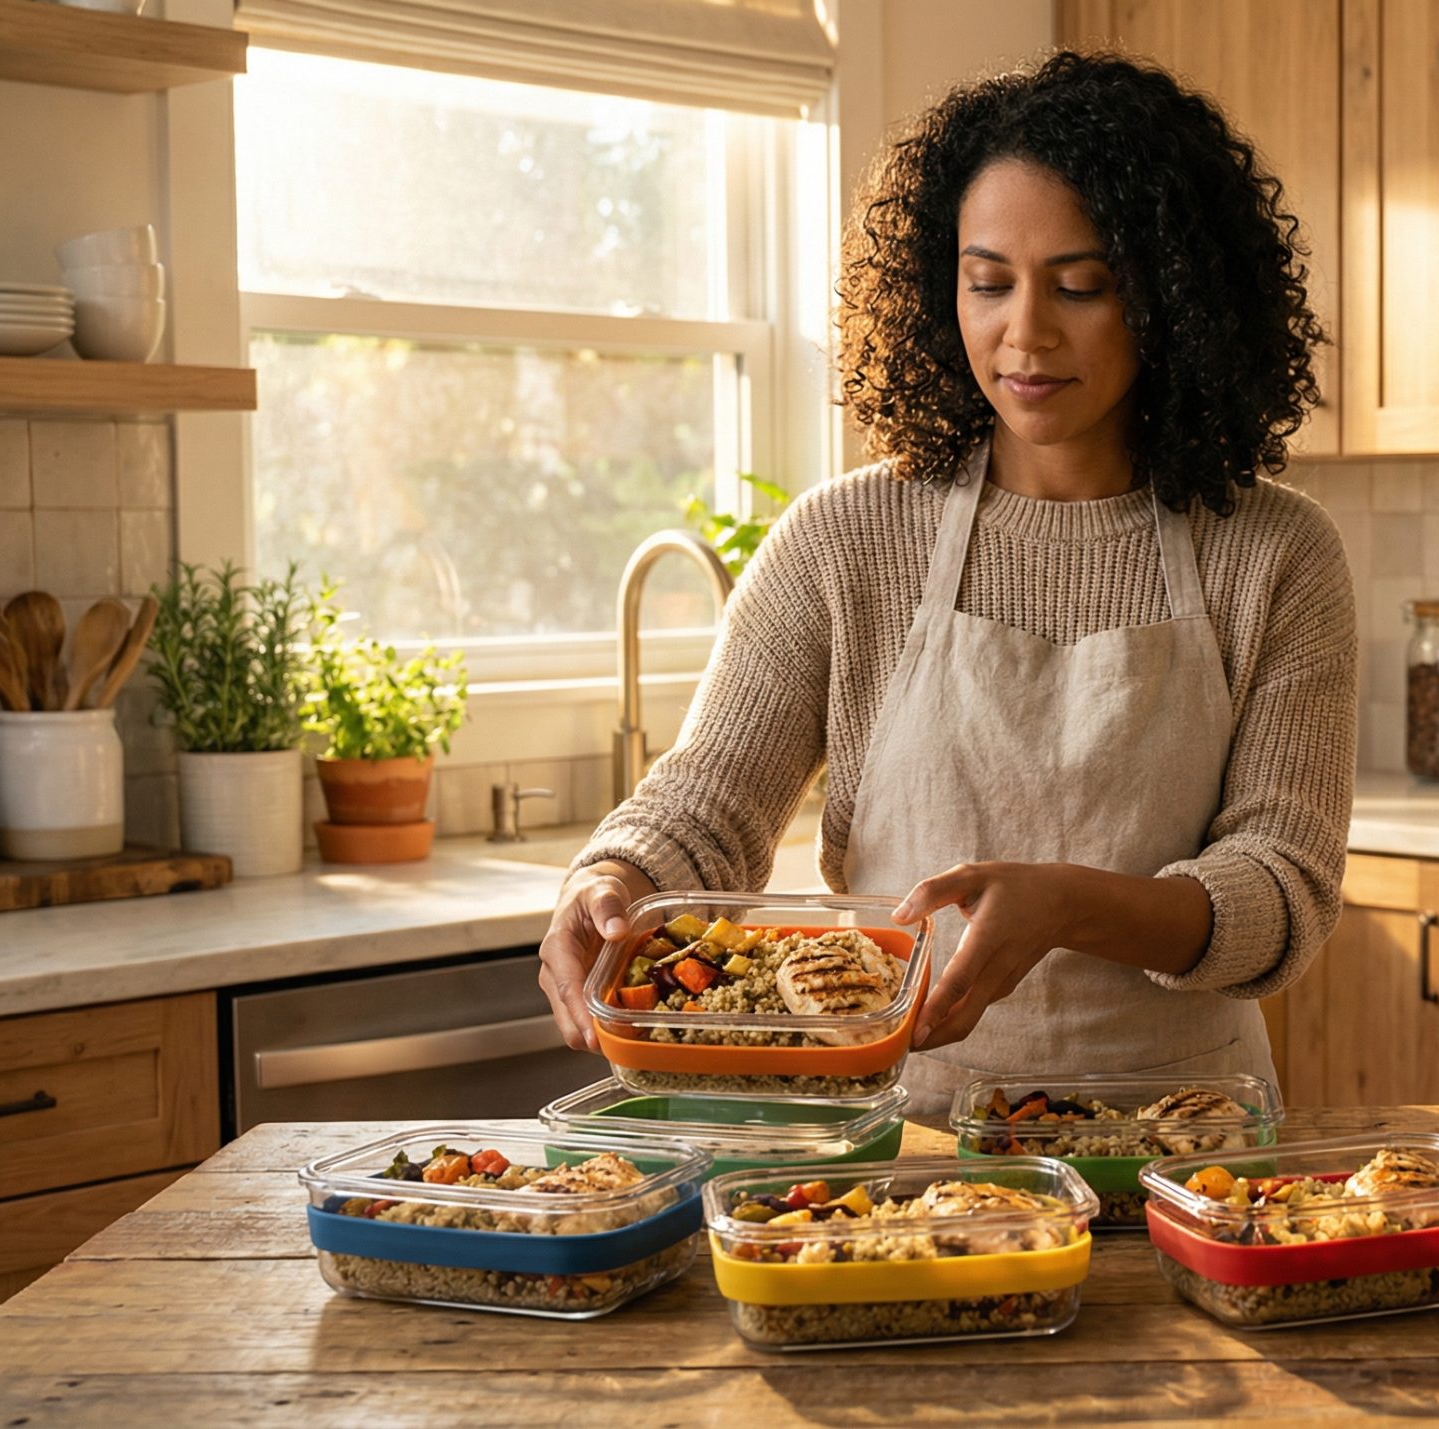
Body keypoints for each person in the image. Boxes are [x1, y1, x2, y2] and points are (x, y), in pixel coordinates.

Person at [534, 51, 1357, 1113]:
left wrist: (1068, 905)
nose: (1026, 332)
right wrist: (610, 882)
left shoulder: (1276, 554)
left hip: (1180, 1142)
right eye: (988, 283)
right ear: (939, 289)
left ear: (1174, 296)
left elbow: (1280, 887)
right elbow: (708, 802)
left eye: (1080, 285)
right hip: (902, 1143)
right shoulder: (845, 539)